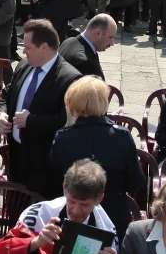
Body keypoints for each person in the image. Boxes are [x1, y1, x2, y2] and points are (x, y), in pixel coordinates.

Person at [47, 75, 146, 234]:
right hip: (114, 217)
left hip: (74, 217)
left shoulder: (63, 138)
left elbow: (53, 181)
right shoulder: (122, 137)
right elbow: (135, 183)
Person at [0, 19, 82, 194]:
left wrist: (31, 121)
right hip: (17, 157)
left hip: (44, 167)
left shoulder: (70, 79)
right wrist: (2, 114)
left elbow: (67, 121)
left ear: (44, 47)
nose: (23, 51)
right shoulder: (23, 66)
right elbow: (7, 95)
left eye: (28, 48)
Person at [57, 12, 115, 79]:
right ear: (98, 33)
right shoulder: (86, 63)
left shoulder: (68, 41)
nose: (112, 43)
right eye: (110, 37)